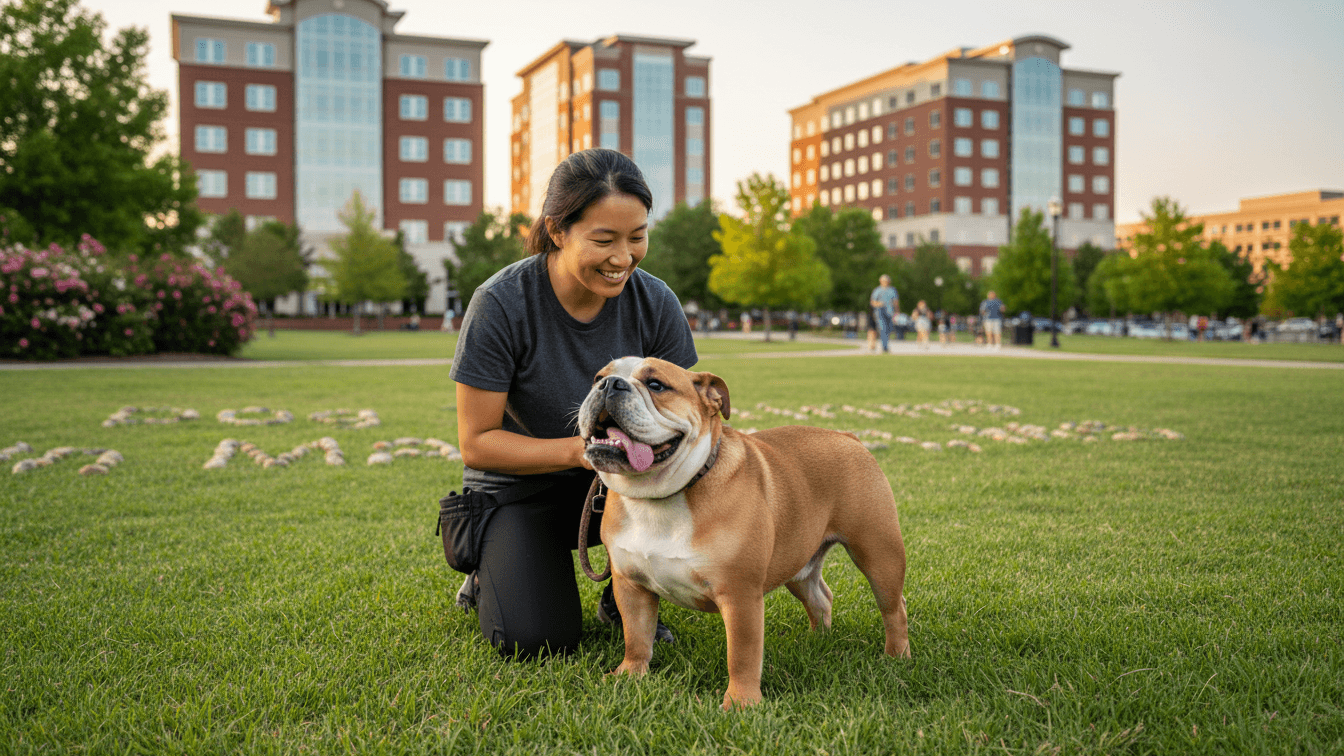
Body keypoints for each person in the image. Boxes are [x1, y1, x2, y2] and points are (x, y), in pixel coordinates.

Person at [450, 149, 697, 659]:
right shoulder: (501, 303)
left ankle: (625, 590)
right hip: (521, 489)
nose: (623, 257)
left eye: (637, 236)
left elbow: (684, 418)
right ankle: (489, 566)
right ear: (557, 231)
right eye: (604, 240)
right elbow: (477, 443)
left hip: (627, 483)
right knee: (536, 640)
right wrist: (581, 452)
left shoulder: (656, 302)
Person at [869, 274, 899, 353]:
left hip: (890, 313)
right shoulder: (877, 290)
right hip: (880, 312)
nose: (885, 282)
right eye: (883, 281)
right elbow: (872, 302)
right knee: (883, 328)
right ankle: (884, 347)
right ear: (880, 281)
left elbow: (896, 302)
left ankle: (885, 344)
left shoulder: (892, 290)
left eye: (886, 281)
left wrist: (897, 312)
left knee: (889, 329)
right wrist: (879, 304)